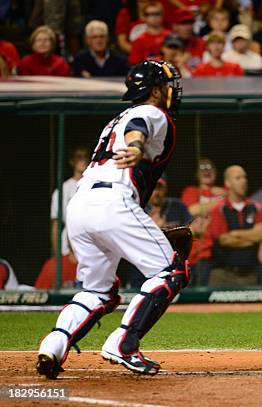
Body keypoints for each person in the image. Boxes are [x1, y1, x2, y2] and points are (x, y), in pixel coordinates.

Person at [36, 60, 185, 379]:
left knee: (97, 290)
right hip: (111, 199)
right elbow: (139, 130)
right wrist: (135, 146)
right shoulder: (151, 112)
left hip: (80, 205)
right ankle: (124, 343)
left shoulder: (117, 119)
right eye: (169, 86)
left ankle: (53, 344)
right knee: (170, 271)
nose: (173, 92)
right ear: (156, 91)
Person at [206, 166, 262, 287]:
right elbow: (224, 240)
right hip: (223, 274)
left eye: (244, 177)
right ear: (227, 183)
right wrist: (252, 237)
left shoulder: (255, 207)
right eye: (238, 178)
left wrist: (236, 234)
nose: (243, 181)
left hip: (250, 274)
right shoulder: (219, 209)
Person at [182, 158, 226, 286]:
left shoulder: (224, 191)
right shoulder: (191, 191)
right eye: (202, 168)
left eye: (210, 168)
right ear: (197, 174)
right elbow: (192, 209)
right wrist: (221, 199)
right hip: (195, 252)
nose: (206, 170)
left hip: (218, 250)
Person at [51, 148, 89, 258]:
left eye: (85, 157)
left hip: (92, 247)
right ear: (72, 161)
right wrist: (56, 256)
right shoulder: (63, 189)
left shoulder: (94, 185)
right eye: (79, 157)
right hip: (68, 251)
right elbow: (56, 224)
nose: (83, 160)